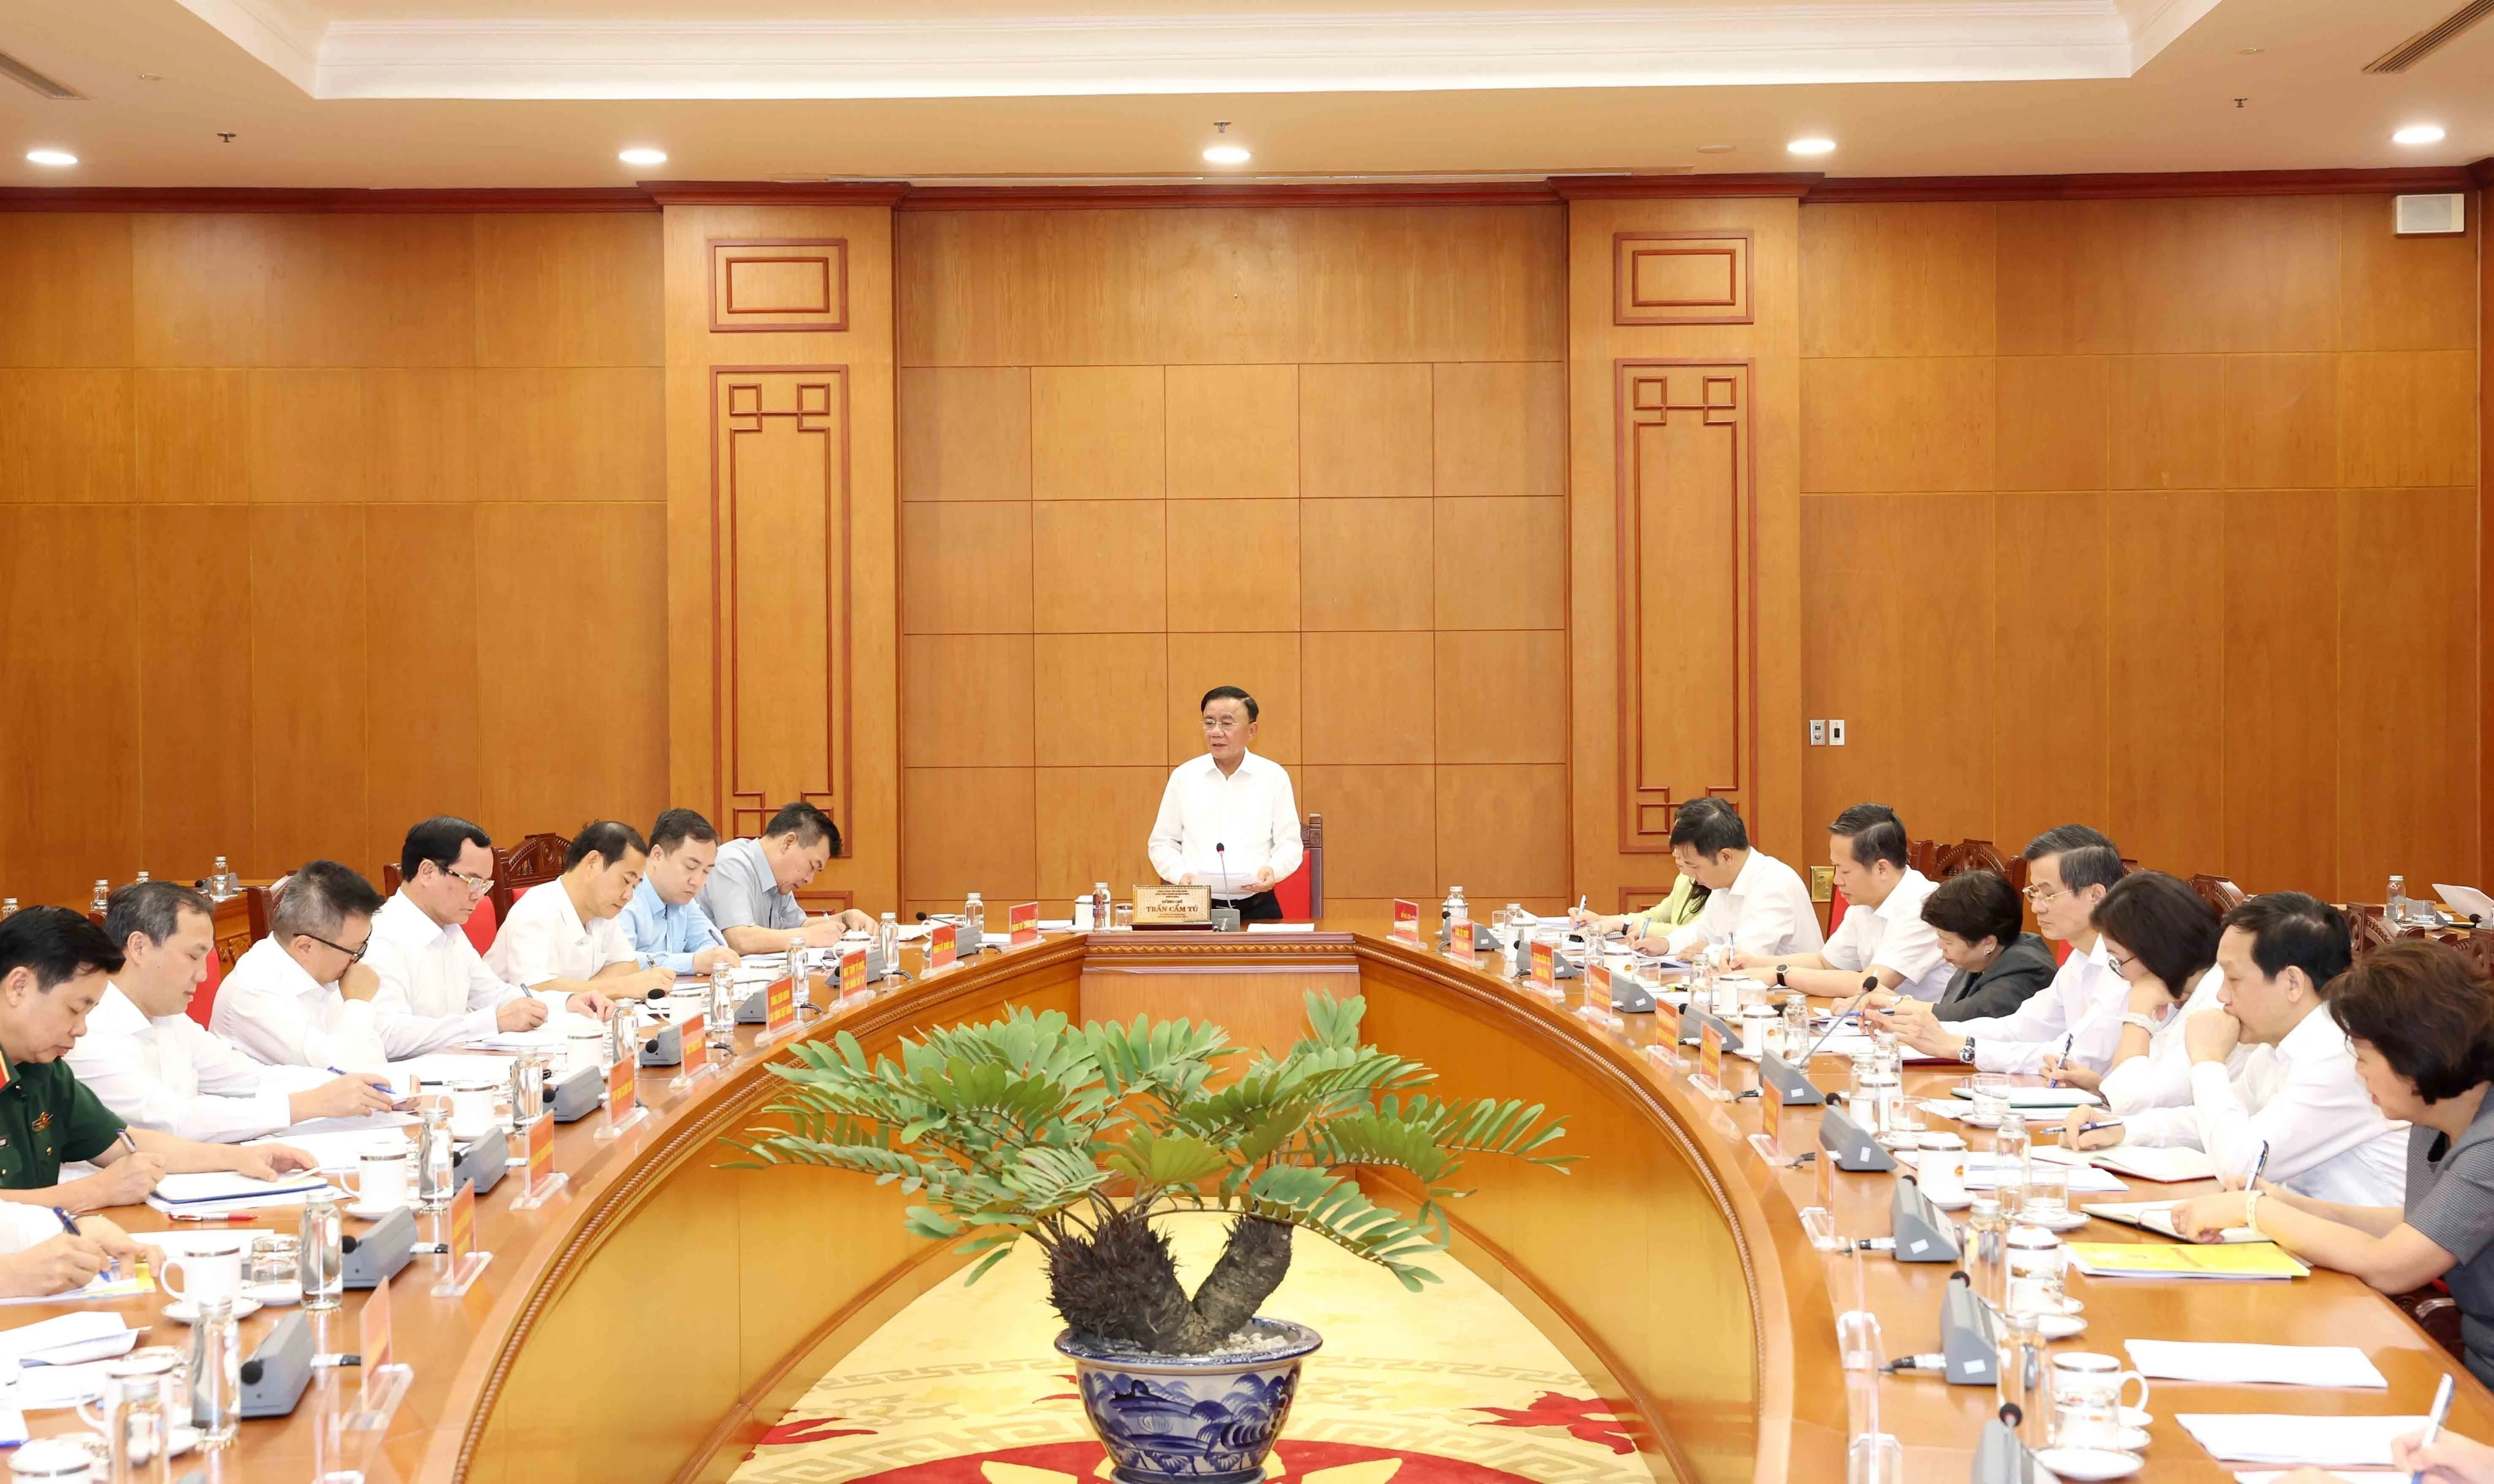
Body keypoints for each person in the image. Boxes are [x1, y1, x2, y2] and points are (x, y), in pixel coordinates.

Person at [2169, 941, 2494, 1384]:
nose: (2358, 1074)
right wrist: (2289, 1204)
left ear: (2415, 1055)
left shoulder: (2487, 1149)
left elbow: (2392, 1264)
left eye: (2362, 1057)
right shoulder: (2434, 1118)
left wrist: (2255, 1211)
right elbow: (2415, 1224)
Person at [2076, 892, 2405, 1204]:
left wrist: (2207, 1061)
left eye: (2233, 979)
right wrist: (2123, 1128)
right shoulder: (2281, 1041)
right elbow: (2220, 1120)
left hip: (2354, 1252)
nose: (2221, 996)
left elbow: (2242, 1164)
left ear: (2292, 983)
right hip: (2297, 1234)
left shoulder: (2341, 1055)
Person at [0, 907, 317, 1218]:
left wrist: (239, 1157)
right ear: (19, 987)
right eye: (74, 1009)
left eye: (89, 1012)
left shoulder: (44, 1067)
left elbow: (122, 1141)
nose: (81, 1029)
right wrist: (93, 1192)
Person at [70, 882, 396, 1141]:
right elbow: (175, 1120)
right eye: (193, 957)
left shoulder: (170, 1017)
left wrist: (349, 1086)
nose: (202, 975)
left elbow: (251, 1078)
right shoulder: (87, 1030)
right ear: (139, 947)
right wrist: (311, 1103)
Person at [1872, 825, 2126, 1074]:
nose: (2037, 908)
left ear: (2096, 895)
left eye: (2048, 895)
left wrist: (1965, 1048)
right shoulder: (2078, 959)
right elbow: (2020, 1029)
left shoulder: (2126, 967)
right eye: (2034, 893)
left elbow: (2073, 1059)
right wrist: (1910, 1028)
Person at [364, 816, 617, 1060]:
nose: (479, 895)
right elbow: (388, 1035)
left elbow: (495, 995)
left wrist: (567, 1003)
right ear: (428, 872)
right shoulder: (381, 936)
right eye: (472, 881)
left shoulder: (450, 929)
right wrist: (491, 1023)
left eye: (484, 885)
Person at [1736, 804, 1948, 1000]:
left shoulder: (1923, 906)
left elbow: (1869, 985)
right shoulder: (1865, 902)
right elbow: (1826, 963)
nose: (1837, 881)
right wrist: (1754, 964)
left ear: (1882, 868)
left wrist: (1780, 975)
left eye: (1844, 870)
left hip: (1930, 1030)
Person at [2051, 871, 2227, 1108]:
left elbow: (2132, 1101)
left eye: (2117, 961)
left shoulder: (2219, 1003)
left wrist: (2140, 1007)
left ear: (2153, 951)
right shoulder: (2180, 992)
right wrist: (2101, 1088)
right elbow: (2141, 1094)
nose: (2122, 975)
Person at [1573, 797, 1820, 958]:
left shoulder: (1774, 883)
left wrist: (1707, 952)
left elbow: (1743, 956)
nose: (1689, 874)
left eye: (1694, 865)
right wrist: (1665, 945)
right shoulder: (1725, 882)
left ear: (1725, 857)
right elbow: (1702, 934)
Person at [212, 860, 396, 1070]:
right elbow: (341, 1071)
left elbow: (374, 1061)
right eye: (354, 950)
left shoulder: (324, 967)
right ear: (305, 947)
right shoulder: (254, 991)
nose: (358, 959)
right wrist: (358, 1004)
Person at [1147, 686, 1303, 924]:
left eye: (1227, 723)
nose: (1216, 732)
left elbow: (1290, 844)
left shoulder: (1273, 777)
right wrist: (1180, 875)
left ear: (1252, 730)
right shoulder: (1185, 777)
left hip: (1258, 907)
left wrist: (1273, 870)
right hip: (1193, 909)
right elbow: (1162, 843)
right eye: (1209, 723)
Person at [487, 821, 677, 1003]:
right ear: (593, 862)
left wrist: (587, 991)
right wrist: (620, 987)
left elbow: (628, 967)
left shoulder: (603, 910)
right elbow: (535, 991)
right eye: (626, 881)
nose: (629, 896)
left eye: (635, 887)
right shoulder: (535, 910)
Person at [701, 801, 875, 953]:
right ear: (789, 842)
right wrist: (806, 937)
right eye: (812, 867)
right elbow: (740, 940)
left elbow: (798, 926)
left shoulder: (779, 880)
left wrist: (846, 918)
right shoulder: (732, 862)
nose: (810, 879)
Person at [1884, 870, 2054, 1022]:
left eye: (1948, 941)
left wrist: (1895, 1004)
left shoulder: (2027, 969)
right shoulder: (1978, 961)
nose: (1940, 945)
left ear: (1988, 942)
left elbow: (1962, 1017)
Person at [619, 809, 741, 977]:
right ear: (657, 856)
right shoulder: (624, 896)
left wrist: (711, 959)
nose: (697, 882)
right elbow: (621, 963)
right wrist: (693, 963)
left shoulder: (683, 899)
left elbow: (714, 947)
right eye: (690, 867)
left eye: (706, 871)